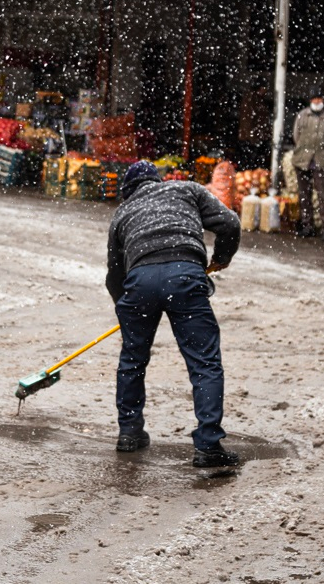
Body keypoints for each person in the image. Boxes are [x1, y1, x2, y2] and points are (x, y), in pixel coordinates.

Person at [106, 161, 242, 468]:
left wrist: (126, 311)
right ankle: (208, 445)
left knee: (132, 359)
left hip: (139, 282)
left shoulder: (123, 213)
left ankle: (129, 432)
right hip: (185, 273)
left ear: (128, 192)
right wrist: (221, 258)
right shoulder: (187, 189)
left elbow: (114, 276)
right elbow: (230, 223)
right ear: (158, 180)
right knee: (204, 362)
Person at [292, 86, 324, 241]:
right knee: (304, 195)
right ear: (310, 100)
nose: (316, 101)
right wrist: (305, 150)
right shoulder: (303, 115)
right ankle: (307, 226)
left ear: (323, 100)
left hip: (323, 161)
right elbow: (296, 135)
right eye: (314, 99)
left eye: (319, 99)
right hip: (302, 160)